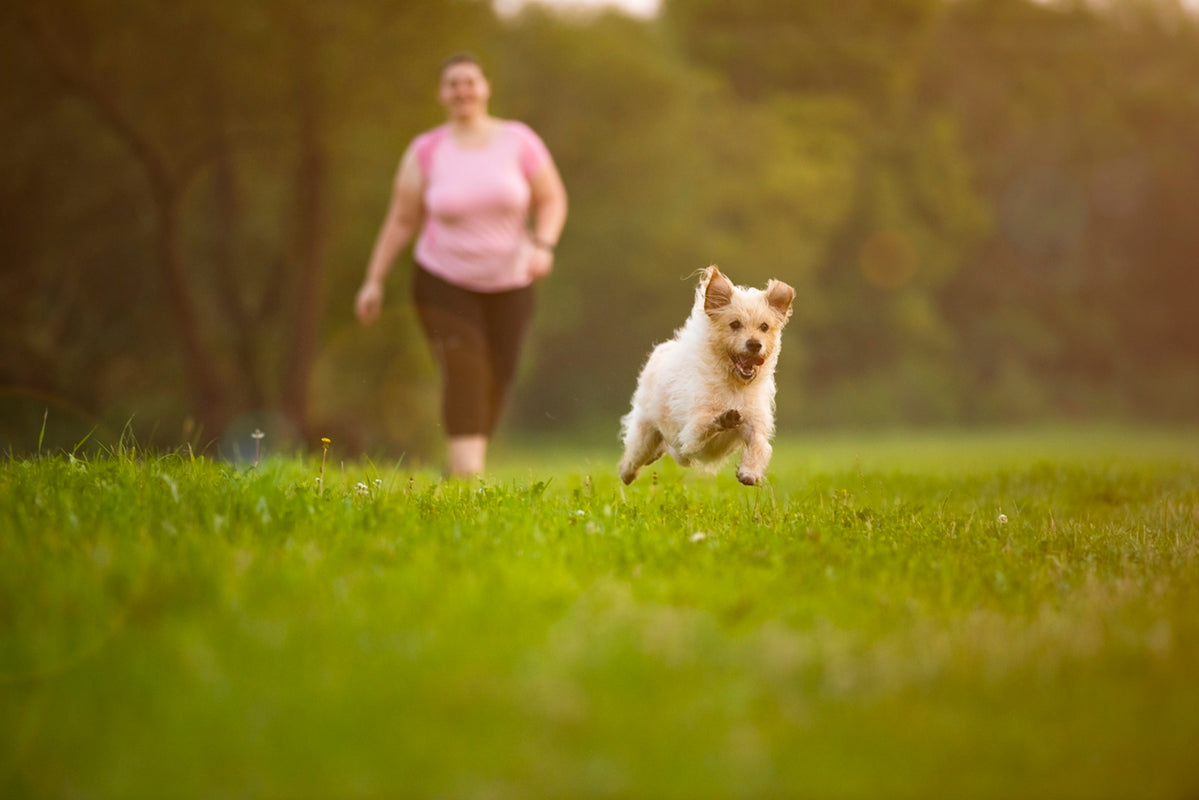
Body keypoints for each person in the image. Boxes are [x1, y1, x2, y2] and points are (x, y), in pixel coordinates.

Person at [355, 53, 568, 478]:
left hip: (511, 279)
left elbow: (552, 199)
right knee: (465, 370)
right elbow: (401, 219)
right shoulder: (427, 151)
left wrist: (543, 245)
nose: (462, 90)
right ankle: (468, 476)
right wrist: (373, 280)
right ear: (441, 94)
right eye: (453, 83)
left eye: (470, 81)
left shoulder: (518, 141)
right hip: (442, 279)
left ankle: (459, 468)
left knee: (500, 374)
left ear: (485, 87)